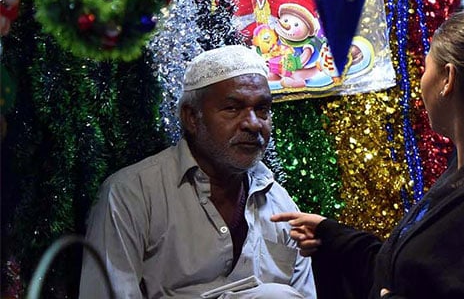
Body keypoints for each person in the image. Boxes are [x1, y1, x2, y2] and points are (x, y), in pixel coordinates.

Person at [273, 8, 464, 299]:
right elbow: (411, 270)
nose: (420, 82)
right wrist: (332, 236)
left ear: (447, 78)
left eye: (426, 67)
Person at [80, 46, 313, 298]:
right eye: (232, 108)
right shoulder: (131, 194)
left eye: (263, 109)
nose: (253, 123)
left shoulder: (280, 205)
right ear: (191, 117)